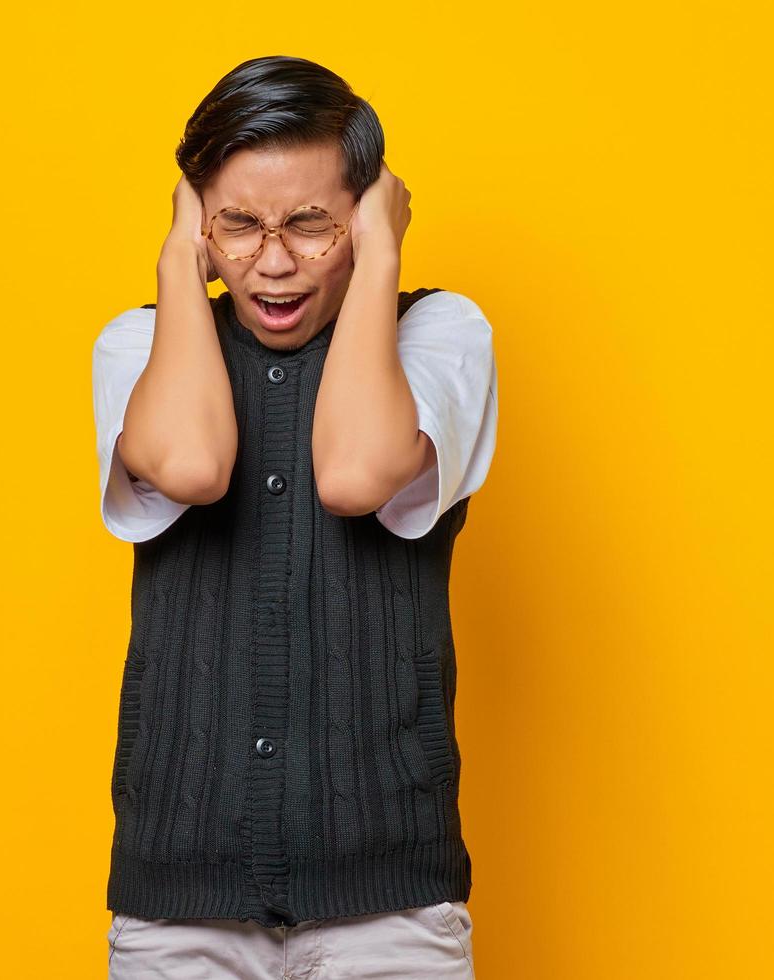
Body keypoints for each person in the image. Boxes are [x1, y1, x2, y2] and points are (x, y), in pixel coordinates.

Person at [91, 55, 497, 978]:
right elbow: (193, 466)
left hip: (388, 903)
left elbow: (355, 472)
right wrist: (174, 264)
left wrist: (384, 257)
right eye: (237, 226)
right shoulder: (137, 347)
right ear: (196, 222)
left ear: (364, 212)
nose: (273, 262)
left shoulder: (442, 335)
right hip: (177, 905)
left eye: (311, 226)